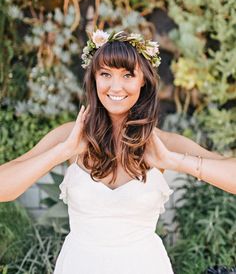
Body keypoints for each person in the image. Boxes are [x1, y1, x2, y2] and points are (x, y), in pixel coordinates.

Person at [0, 30, 235, 274]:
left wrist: (172, 160)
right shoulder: (70, 137)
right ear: (94, 78)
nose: (115, 86)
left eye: (127, 75)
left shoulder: (161, 143)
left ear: (143, 79)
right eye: (105, 74)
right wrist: (62, 151)